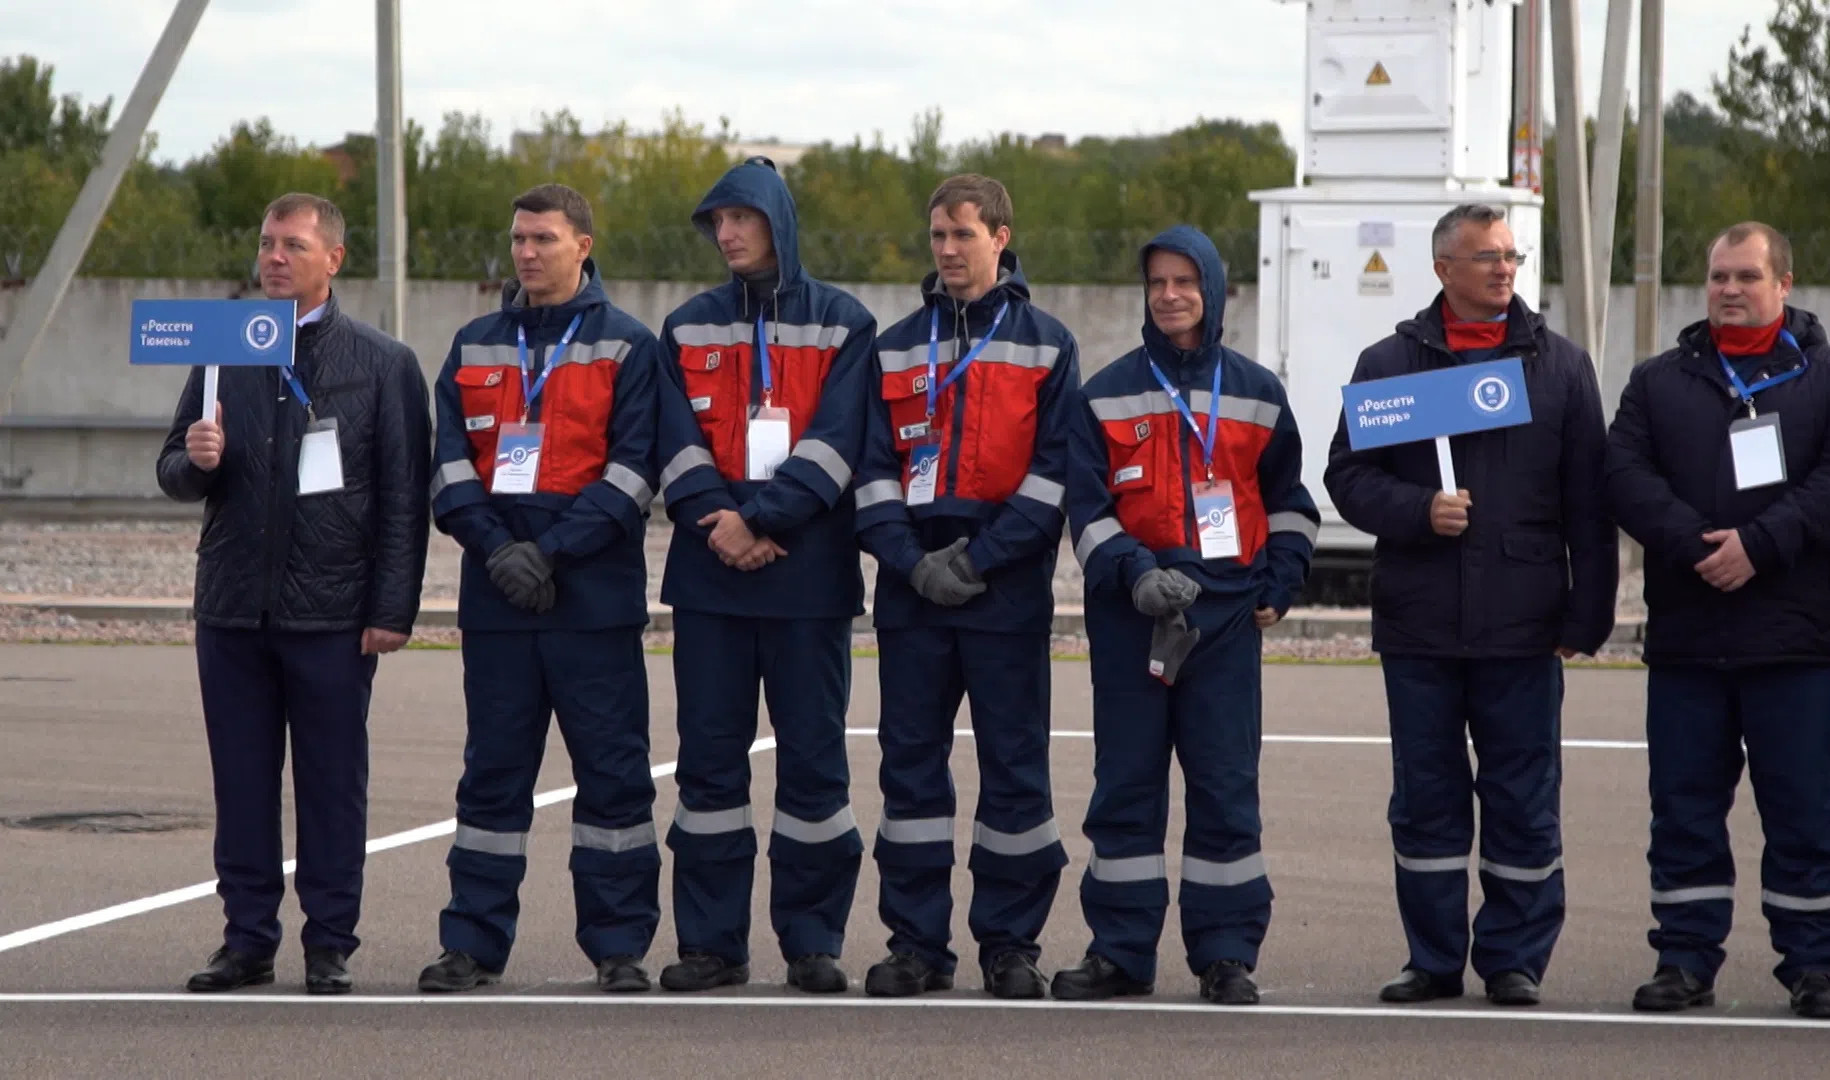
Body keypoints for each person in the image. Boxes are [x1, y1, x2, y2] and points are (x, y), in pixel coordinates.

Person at [1323, 203, 1617, 1007]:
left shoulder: (1559, 367)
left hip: (1524, 624)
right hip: (1420, 622)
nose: (1503, 269)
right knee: (1425, 796)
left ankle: (1515, 957)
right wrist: (1420, 510)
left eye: (1511, 257)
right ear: (1444, 268)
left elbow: (1589, 503)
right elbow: (1346, 475)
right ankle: (1432, 958)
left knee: (1523, 796)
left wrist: (1588, 614)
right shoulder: (1391, 364)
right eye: (1486, 257)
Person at [157, 192, 430, 995]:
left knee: (331, 782)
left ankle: (329, 942)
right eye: (268, 243)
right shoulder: (221, 352)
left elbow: (405, 497)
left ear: (333, 260)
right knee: (240, 782)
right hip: (234, 608)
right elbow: (172, 469)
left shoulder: (382, 364)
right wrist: (195, 459)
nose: (275, 257)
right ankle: (247, 939)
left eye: (294, 246)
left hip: (334, 615)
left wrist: (391, 609)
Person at [1056, 225, 1316, 1005]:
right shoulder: (1101, 393)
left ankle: (1227, 954)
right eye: (1157, 283)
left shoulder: (1259, 392)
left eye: (1184, 282)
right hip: (1131, 618)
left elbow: (1290, 503)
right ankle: (1122, 952)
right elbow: (1087, 511)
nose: (1169, 295)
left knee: (1225, 788)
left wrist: (1280, 581)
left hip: (1227, 620)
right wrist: (1135, 574)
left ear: (1213, 290)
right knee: (1126, 787)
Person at [417, 184, 663, 994]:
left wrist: (548, 554)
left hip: (591, 605)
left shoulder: (628, 345)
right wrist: (498, 551)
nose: (526, 253)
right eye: (519, 238)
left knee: (613, 780)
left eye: (544, 239)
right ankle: (473, 947)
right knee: (492, 777)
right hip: (498, 603)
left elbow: (632, 474)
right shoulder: (475, 343)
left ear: (582, 246)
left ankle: (620, 947)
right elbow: (449, 467)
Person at [651, 157, 876, 993]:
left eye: (741, 218)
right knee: (709, 769)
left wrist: (765, 520)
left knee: (814, 764)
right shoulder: (686, 325)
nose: (728, 234)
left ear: (777, 221)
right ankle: (711, 944)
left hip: (808, 580)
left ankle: (812, 942)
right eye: (716, 222)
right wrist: (725, 525)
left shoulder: (844, 323)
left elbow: (839, 440)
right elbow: (671, 441)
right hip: (712, 579)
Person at [852, 174, 1079, 999]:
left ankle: (1010, 945)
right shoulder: (894, 343)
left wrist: (977, 562)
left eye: (963, 235)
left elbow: (1054, 476)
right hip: (912, 588)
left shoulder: (1047, 343)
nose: (947, 250)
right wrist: (912, 563)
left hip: (1003, 587)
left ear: (1001, 238)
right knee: (910, 771)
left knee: (1014, 768)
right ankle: (916, 944)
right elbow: (871, 472)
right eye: (938, 236)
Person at [1606, 222, 1830, 1019]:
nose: (1728, 290)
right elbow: (1623, 474)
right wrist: (1694, 544)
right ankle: (1684, 960)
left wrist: (1761, 546)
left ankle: (1815, 964)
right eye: (1717, 277)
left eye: (1745, 276)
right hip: (1689, 641)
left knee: (1805, 811)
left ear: (1784, 282)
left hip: (1796, 642)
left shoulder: (1822, 376)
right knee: (1685, 810)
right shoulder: (1659, 381)